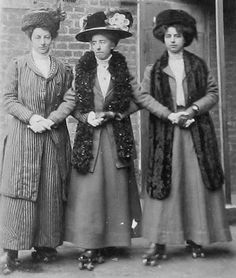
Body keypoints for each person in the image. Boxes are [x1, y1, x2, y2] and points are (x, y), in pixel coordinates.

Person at [131, 9, 232, 266]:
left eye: (177, 35)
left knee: (195, 183)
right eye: (168, 36)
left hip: (196, 131)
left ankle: (197, 237)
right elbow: (143, 97)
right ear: (162, 38)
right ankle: (159, 240)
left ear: (185, 37)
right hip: (166, 133)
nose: (173, 40)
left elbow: (213, 93)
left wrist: (193, 110)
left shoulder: (197, 65)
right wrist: (168, 114)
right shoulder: (154, 69)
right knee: (166, 183)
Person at [65, 9, 141, 270]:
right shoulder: (83, 72)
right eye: (94, 42)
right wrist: (86, 117)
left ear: (113, 44)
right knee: (89, 192)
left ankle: (111, 241)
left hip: (115, 138)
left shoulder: (122, 71)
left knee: (114, 190)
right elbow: (73, 104)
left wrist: (117, 112)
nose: (98, 47)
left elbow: (138, 99)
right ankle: (89, 243)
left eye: (103, 42)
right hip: (90, 139)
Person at [0, 8, 75, 274]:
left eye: (47, 37)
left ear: (53, 39)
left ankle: (45, 246)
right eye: (38, 37)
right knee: (20, 191)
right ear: (30, 39)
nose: (43, 42)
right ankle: (11, 250)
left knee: (50, 190)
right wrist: (32, 118)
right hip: (24, 137)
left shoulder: (63, 68)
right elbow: (9, 99)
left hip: (53, 138)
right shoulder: (18, 65)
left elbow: (70, 98)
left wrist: (52, 119)